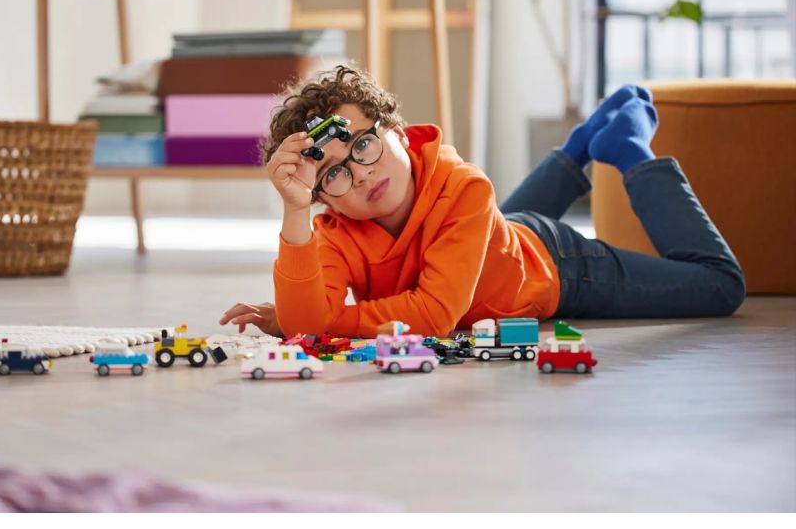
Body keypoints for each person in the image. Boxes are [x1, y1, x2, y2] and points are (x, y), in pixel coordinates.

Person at [220, 65, 745, 338]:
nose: (360, 174)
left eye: (363, 144)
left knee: (721, 287)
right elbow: (308, 325)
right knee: (497, 227)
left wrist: (320, 319)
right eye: (333, 173)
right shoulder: (333, 231)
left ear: (399, 131)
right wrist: (294, 211)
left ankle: (624, 145)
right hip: (488, 246)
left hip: (556, 267)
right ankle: (580, 146)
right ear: (322, 201)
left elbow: (434, 314)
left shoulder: (466, 188)